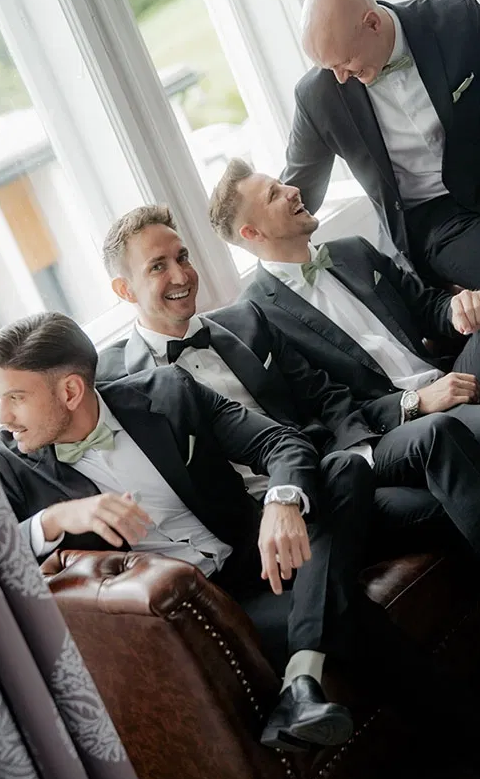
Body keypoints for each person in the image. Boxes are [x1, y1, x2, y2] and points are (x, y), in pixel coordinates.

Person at [0, 313, 480, 779]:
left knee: (344, 469)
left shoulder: (166, 392)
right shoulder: (9, 467)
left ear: (70, 391)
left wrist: (281, 502)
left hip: (267, 550)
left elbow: (280, 442)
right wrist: (54, 521)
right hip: (216, 604)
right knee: (352, 615)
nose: (3, 415)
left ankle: (304, 680)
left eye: (14, 397)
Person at [208, 161, 480, 626]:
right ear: (252, 233)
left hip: (452, 375)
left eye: (281, 183)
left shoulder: (352, 250)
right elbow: (329, 410)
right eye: (273, 194)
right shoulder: (256, 316)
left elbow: (428, 307)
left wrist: (458, 307)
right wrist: (414, 403)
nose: (291, 190)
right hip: (401, 424)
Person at [97, 203, 442, 549]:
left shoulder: (246, 320)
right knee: (433, 508)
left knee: (438, 436)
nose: (181, 276)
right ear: (125, 290)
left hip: (328, 469)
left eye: (182, 257)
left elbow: (323, 394)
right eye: (158, 266)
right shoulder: (114, 382)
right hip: (257, 525)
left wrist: (361, 452)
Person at [283, 0, 480, 296]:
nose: (339, 77)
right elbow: (296, 193)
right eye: (328, 67)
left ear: (372, 23)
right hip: (438, 221)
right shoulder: (318, 95)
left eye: (345, 62)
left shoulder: (459, 22)